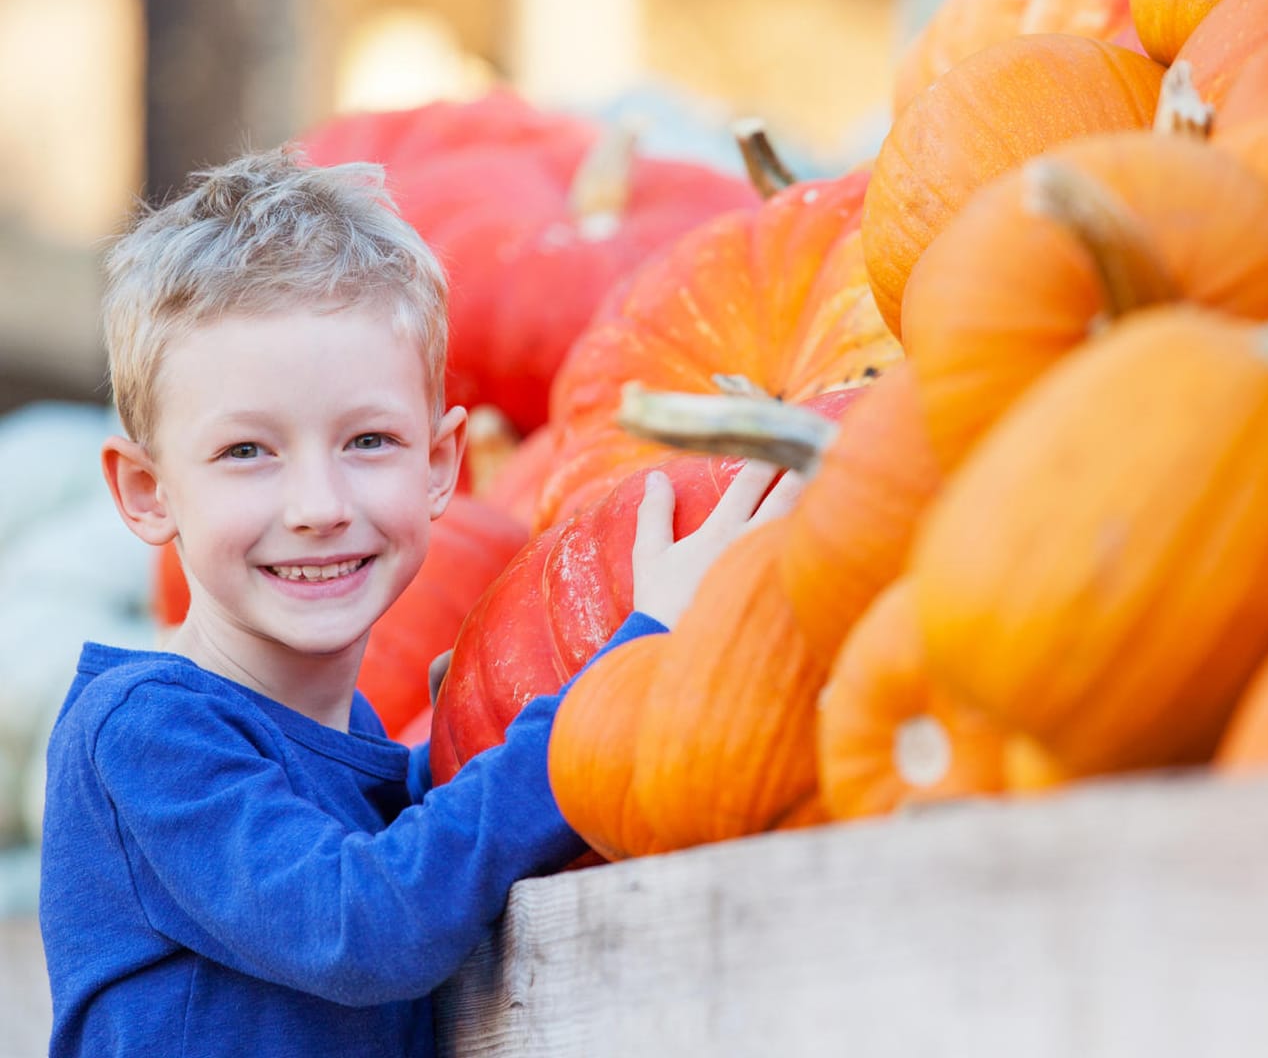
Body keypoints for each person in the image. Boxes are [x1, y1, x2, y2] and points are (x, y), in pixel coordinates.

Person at [37, 147, 801, 1058]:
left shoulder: (355, 750)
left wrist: (445, 765)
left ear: (442, 465)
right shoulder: (144, 737)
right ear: (147, 491)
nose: (318, 506)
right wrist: (613, 685)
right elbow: (362, 928)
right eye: (247, 452)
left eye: (368, 440)